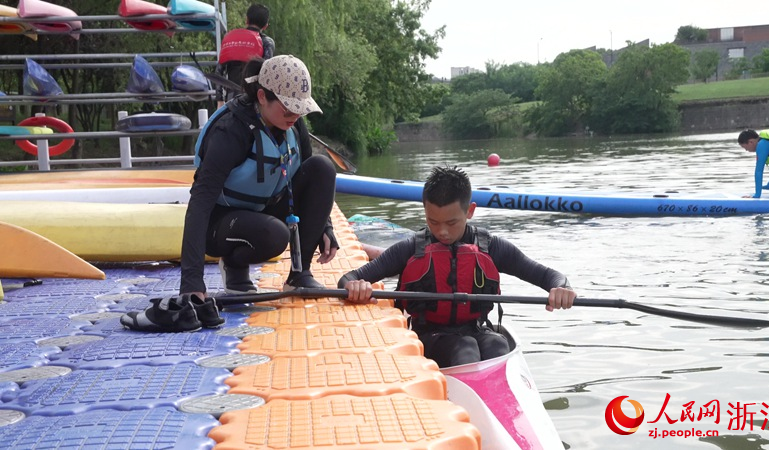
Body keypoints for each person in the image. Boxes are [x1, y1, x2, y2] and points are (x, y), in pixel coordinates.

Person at [122, 55, 338, 332]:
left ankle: (299, 273)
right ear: (262, 96)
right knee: (275, 235)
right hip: (221, 222)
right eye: (288, 108)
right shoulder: (231, 130)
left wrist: (325, 226)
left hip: (264, 206)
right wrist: (192, 284)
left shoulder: (293, 123)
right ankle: (234, 266)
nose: (294, 116)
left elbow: (307, 178)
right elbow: (200, 203)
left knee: (322, 167)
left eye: (300, 109)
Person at [339, 166, 576, 368]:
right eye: (433, 221)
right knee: (465, 348)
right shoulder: (410, 248)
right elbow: (348, 278)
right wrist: (356, 287)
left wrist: (562, 288)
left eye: (452, 222)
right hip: (429, 336)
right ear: (425, 211)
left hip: (476, 329)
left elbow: (549, 276)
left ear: (469, 211)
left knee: (497, 343)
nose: (442, 231)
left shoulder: (492, 247)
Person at [215, 4, 276, 107]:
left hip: (232, 99)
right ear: (265, 26)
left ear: (246, 20)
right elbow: (266, 72)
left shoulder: (231, 40)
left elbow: (219, 72)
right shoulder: (266, 42)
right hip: (253, 99)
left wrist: (220, 100)